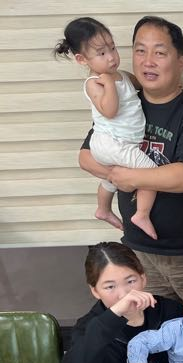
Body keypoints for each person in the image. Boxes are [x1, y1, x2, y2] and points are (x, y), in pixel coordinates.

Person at [78, 16, 183, 302]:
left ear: (181, 63)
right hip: (137, 253)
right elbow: (86, 157)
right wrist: (116, 175)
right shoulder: (122, 104)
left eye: (160, 52)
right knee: (154, 325)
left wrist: (127, 177)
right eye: (140, 51)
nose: (148, 61)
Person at [55, 17, 157, 238]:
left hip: (120, 143)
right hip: (112, 142)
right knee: (151, 173)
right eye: (101, 53)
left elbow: (141, 85)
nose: (111, 57)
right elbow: (109, 110)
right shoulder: (95, 83)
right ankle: (142, 214)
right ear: (82, 59)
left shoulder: (122, 75)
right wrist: (109, 84)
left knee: (109, 179)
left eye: (112, 48)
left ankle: (103, 209)